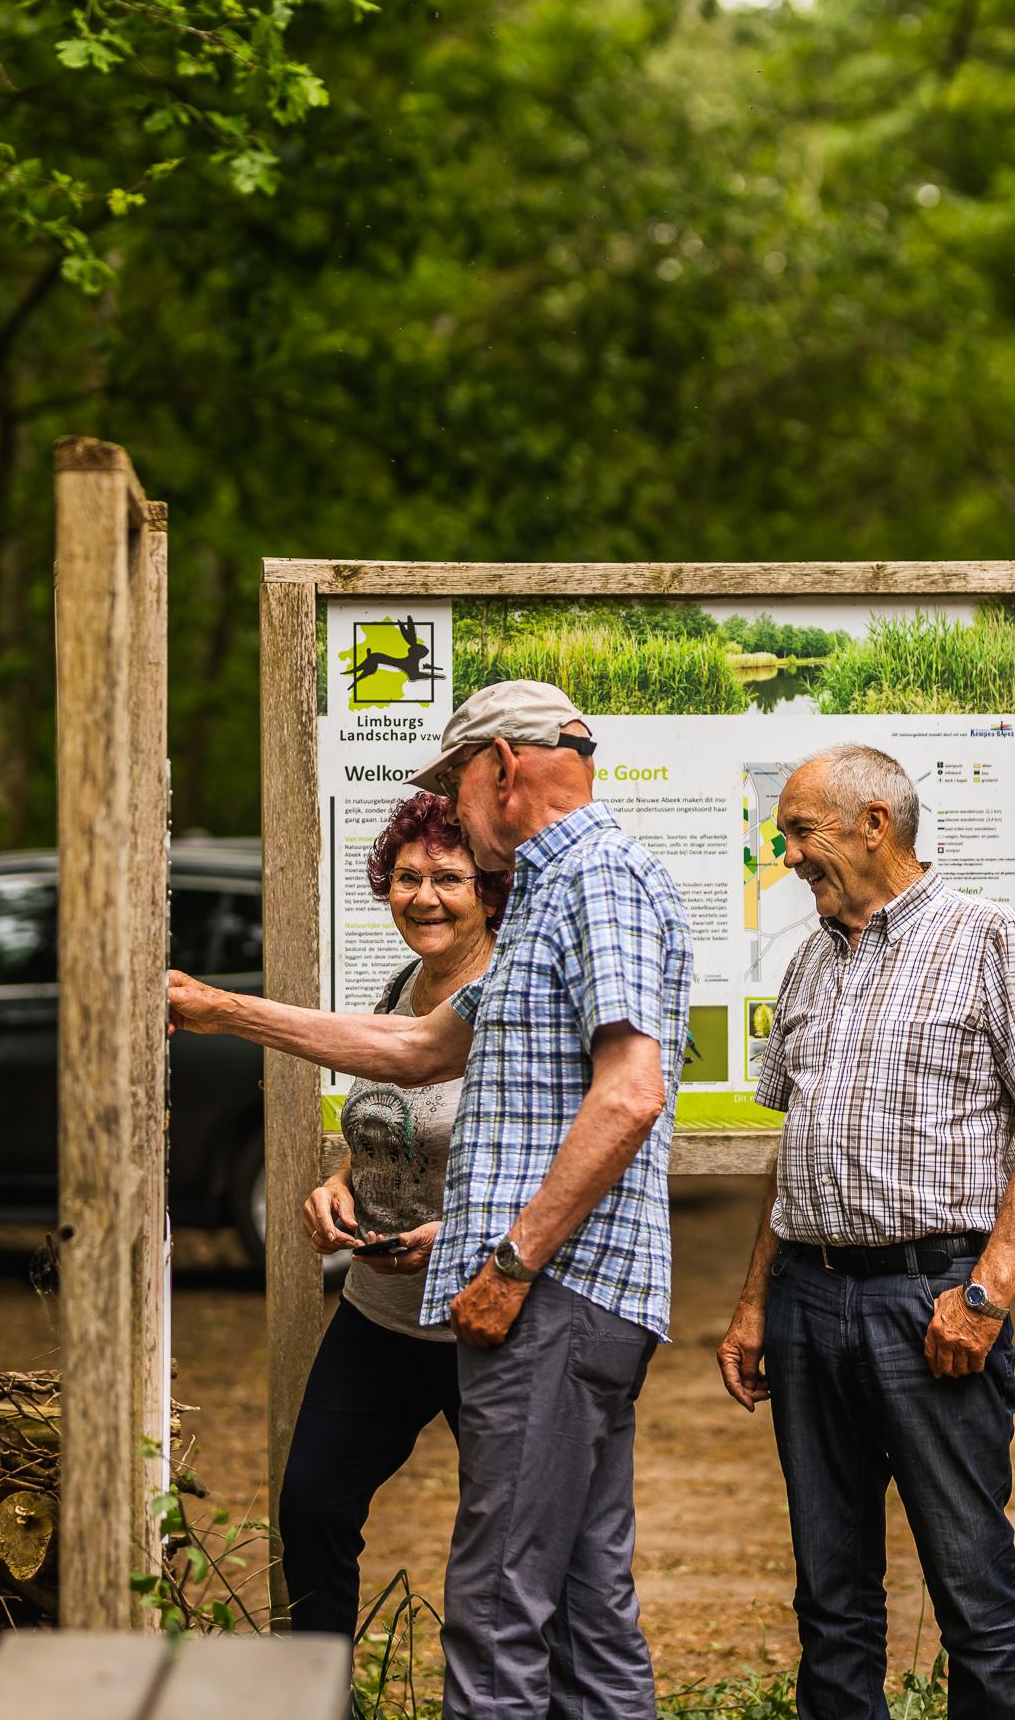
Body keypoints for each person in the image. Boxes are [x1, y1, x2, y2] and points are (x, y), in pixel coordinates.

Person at [169, 678, 692, 1720]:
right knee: (585, 1610)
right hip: (548, 1300)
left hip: (551, 1301)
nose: (447, 814)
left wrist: (506, 1262)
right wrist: (216, 1007)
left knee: (496, 1611)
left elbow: (630, 1096)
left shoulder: (598, 880)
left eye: (451, 790)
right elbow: (416, 1048)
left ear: (499, 767)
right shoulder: (551, 894)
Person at [716, 744, 1015, 1720]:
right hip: (805, 1302)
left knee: (971, 1594)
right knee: (829, 1604)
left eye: (800, 832)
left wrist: (987, 1292)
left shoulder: (992, 941)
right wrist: (754, 1303)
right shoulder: (805, 962)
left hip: (931, 1307)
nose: (786, 854)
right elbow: (791, 1143)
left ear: (873, 824)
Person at [279, 791, 509, 1643]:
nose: (424, 896)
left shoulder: (509, 998)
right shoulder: (400, 986)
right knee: (312, 1511)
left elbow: (561, 1155)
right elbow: (388, 1123)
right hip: (378, 1320)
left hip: (484, 1323)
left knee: (505, 1551)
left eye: (448, 877)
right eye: (406, 877)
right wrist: (337, 1184)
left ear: (488, 889)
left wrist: (465, 1235)